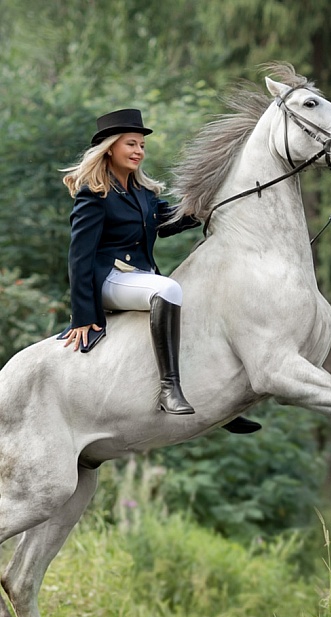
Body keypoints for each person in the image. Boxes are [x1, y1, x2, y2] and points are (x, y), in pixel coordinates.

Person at [61, 108, 259, 433]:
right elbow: (79, 257)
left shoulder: (142, 192)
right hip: (107, 279)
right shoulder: (93, 195)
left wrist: (213, 205)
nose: (139, 151)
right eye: (131, 144)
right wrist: (83, 315)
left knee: (190, 297)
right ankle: (168, 389)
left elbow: (166, 224)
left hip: (137, 276)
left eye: (141, 145)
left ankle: (212, 393)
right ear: (110, 147)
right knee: (168, 290)